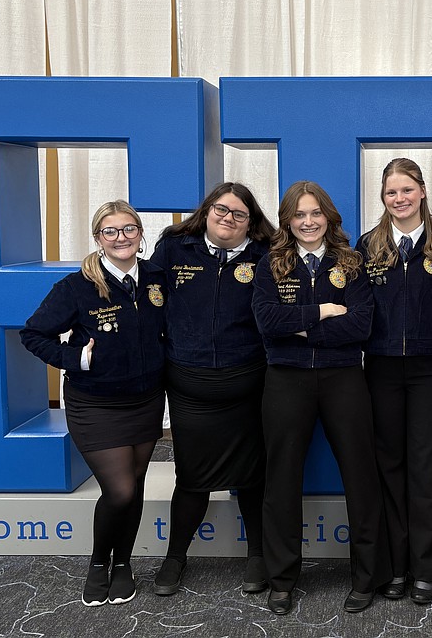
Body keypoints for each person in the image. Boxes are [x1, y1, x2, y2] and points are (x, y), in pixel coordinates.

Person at [252, 180, 391, 615]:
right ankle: (282, 579)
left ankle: (367, 577)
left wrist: (298, 327)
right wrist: (323, 311)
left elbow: (361, 326)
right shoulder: (270, 263)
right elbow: (266, 321)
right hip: (286, 380)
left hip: (343, 379)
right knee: (281, 479)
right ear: (287, 220)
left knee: (361, 477)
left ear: (329, 217)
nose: (308, 222)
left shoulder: (351, 263)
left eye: (316, 213)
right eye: (299, 214)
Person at [21, 200, 166, 607]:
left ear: (140, 233)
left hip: (147, 400)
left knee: (133, 488)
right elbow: (34, 335)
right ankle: (100, 562)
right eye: (110, 231)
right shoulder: (76, 286)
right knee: (119, 490)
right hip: (96, 404)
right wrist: (76, 358)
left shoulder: (156, 278)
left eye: (129, 229)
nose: (121, 237)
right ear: (98, 239)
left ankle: (124, 564)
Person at [148, 182, 276, 597]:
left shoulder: (267, 256)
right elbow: (146, 300)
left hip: (249, 385)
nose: (228, 219)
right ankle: (175, 557)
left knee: (253, 478)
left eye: (240, 214)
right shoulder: (174, 248)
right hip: (190, 387)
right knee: (192, 478)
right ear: (206, 211)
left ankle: (258, 555)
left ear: (250, 223)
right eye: (222, 210)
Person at [354, 158, 432, 604]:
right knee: (389, 466)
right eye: (390, 193)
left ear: (422, 191)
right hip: (380, 368)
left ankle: (427, 568)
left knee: (427, 467)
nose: (399, 199)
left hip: (430, 370)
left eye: (406, 190)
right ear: (382, 199)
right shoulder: (367, 246)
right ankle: (394, 566)